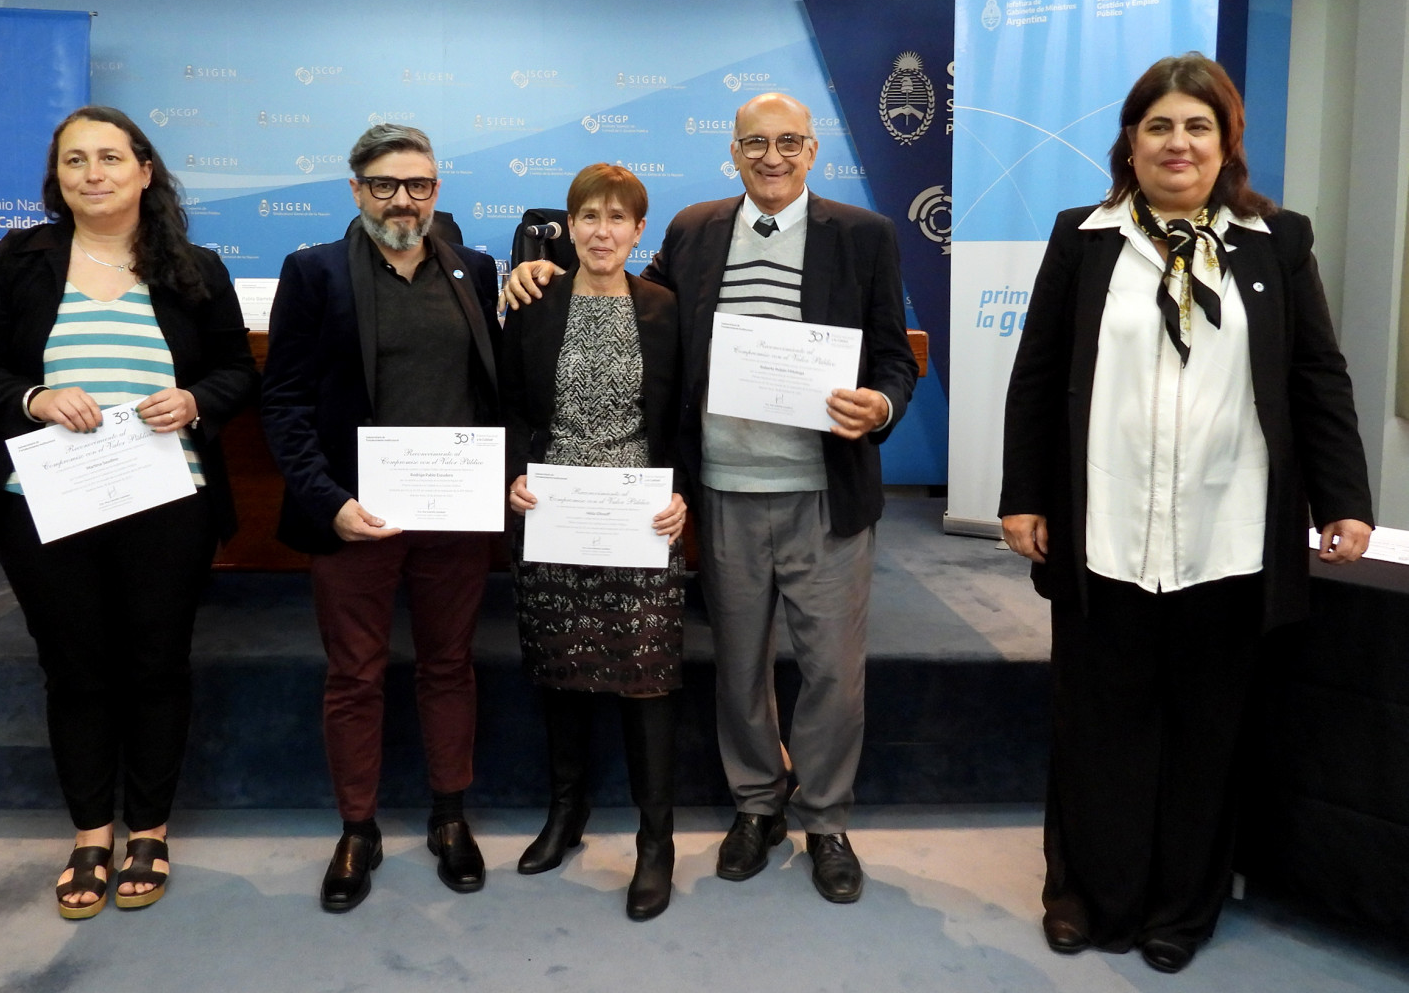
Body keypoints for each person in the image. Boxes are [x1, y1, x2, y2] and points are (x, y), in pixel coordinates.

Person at [999, 53, 1374, 973]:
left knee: (1207, 732)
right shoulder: (1081, 239)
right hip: (1105, 531)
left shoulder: (1274, 242)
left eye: (1196, 126)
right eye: (1159, 126)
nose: (1178, 143)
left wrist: (1345, 500)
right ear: (1130, 142)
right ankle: (1086, 894)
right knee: (1098, 721)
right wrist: (1022, 496)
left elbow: (1315, 376)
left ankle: (1181, 907)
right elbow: (1038, 374)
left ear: (1224, 141)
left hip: (1229, 532)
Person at [505, 93, 919, 903]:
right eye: (754, 143)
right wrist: (535, 269)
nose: (771, 156)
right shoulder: (694, 230)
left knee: (832, 669)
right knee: (738, 666)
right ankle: (756, 806)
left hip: (822, 490)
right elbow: (623, 298)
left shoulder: (863, 235)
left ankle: (825, 817)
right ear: (731, 151)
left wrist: (883, 406)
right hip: (722, 487)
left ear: (812, 151)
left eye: (788, 142)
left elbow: (890, 356)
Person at [0, 105, 258, 919]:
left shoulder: (196, 266)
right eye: (76, 160)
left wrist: (194, 400)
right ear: (59, 178)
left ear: (145, 171)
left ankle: (148, 829)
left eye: (111, 157)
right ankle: (90, 834)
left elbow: (234, 371)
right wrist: (33, 396)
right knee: (75, 668)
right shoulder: (20, 259)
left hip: (166, 500)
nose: (94, 173)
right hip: (42, 502)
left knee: (157, 663)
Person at [259, 123, 501, 912]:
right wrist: (329, 504)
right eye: (386, 184)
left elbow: (493, 389)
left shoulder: (474, 269)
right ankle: (357, 827)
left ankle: (448, 816)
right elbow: (286, 402)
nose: (404, 200)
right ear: (356, 188)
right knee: (355, 674)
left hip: (455, 517)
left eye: (420, 185)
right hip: (354, 517)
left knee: (448, 666)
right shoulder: (314, 272)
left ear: (438, 189)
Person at [502, 164, 687, 921]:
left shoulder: (666, 310)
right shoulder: (533, 302)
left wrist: (681, 495)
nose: (602, 231)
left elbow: (681, 414)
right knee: (559, 670)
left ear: (639, 230)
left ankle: (655, 843)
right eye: (587, 217)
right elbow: (509, 402)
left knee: (646, 680)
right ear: (567, 227)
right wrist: (511, 474)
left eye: (617, 218)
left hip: (641, 520)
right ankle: (565, 814)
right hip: (554, 516)